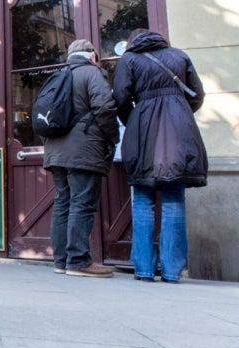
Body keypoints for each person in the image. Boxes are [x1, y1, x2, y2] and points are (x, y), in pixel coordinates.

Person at [112, 29, 207, 283]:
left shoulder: (129, 60)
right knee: (174, 200)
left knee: (143, 200)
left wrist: (132, 119)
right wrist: (179, 112)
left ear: (131, 42)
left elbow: (120, 98)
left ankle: (143, 269)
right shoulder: (179, 56)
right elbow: (197, 95)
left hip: (143, 130)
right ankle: (172, 271)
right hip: (178, 130)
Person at [44, 39, 119, 277]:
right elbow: (105, 107)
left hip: (55, 150)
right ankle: (78, 261)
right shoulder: (92, 73)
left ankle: (61, 261)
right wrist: (113, 137)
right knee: (82, 203)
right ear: (92, 56)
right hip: (84, 149)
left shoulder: (58, 76)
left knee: (63, 203)